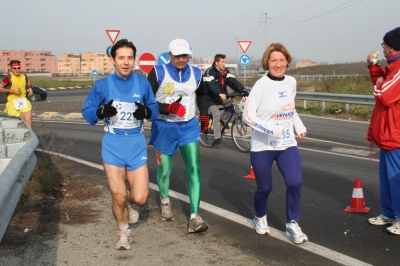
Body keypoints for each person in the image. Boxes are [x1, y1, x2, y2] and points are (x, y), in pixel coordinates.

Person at [82, 39, 159, 250]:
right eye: (121, 58)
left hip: (136, 147)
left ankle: (128, 206)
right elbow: (87, 113)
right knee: (118, 195)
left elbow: (154, 109)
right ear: (113, 60)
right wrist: (100, 112)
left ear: (134, 60)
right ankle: (124, 233)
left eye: (130, 58)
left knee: (140, 198)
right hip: (113, 148)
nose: (126, 62)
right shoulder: (102, 85)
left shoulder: (143, 84)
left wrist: (148, 112)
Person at [242, 43, 308, 244]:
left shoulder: (291, 82)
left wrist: (299, 126)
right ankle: (260, 216)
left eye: (281, 60)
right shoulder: (261, 85)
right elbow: (247, 116)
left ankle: (292, 223)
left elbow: (290, 108)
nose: (278, 64)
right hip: (263, 146)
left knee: (295, 182)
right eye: (273, 60)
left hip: (287, 143)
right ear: (267, 63)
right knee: (265, 187)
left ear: (287, 62)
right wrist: (271, 129)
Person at [146, 38, 210, 233]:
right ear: (170, 55)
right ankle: (164, 200)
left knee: (194, 169)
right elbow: (147, 101)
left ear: (189, 55)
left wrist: (205, 115)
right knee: (165, 170)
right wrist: (167, 108)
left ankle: (194, 216)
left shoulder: (197, 73)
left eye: (185, 56)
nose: (181, 59)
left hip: (188, 127)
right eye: (177, 56)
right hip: (164, 127)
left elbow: (202, 96)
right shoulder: (157, 72)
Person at [366, 27, 400, 235]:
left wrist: (378, 85)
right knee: (387, 178)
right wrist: (374, 67)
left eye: (384, 45)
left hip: (396, 134)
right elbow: (382, 83)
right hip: (387, 133)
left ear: (394, 47)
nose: (383, 48)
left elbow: (385, 94)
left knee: (397, 177)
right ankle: (389, 212)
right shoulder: (392, 67)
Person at [203, 54, 248, 143]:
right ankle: (217, 137)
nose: (224, 64)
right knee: (216, 114)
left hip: (221, 97)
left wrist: (243, 90)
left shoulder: (225, 72)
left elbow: (233, 82)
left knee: (231, 106)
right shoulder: (209, 72)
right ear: (216, 62)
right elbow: (210, 85)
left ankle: (222, 121)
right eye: (222, 62)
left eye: (225, 61)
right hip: (209, 98)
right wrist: (219, 93)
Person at [0, 60, 34, 127]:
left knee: (28, 120)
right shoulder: (8, 77)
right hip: (12, 103)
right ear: (11, 69)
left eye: (18, 68)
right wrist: (12, 91)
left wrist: (30, 88)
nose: (17, 70)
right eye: (14, 68)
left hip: (23, 101)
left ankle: (29, 136)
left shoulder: (24, 75)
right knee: (14, 124)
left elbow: (28, 80)